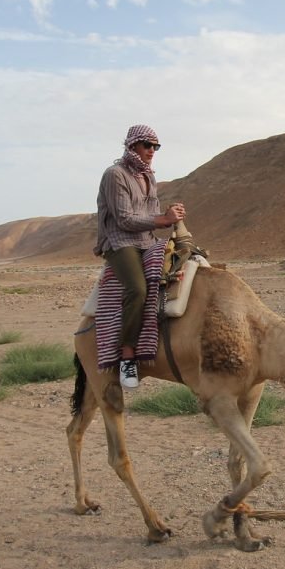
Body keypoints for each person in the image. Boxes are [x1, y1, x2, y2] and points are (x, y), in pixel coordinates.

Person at [95, 124, 186, 389]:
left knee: (185, 266)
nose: (152, 151)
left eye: (156, 147)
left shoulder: (149, 177)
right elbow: (124, 219)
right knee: (137, 289)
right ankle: (127, 355)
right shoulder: (115, 175)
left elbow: (151, 215)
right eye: (147, 145)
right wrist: (162, 219)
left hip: (146, 241)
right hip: (120, 242)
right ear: (133, 145)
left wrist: (170, 217)